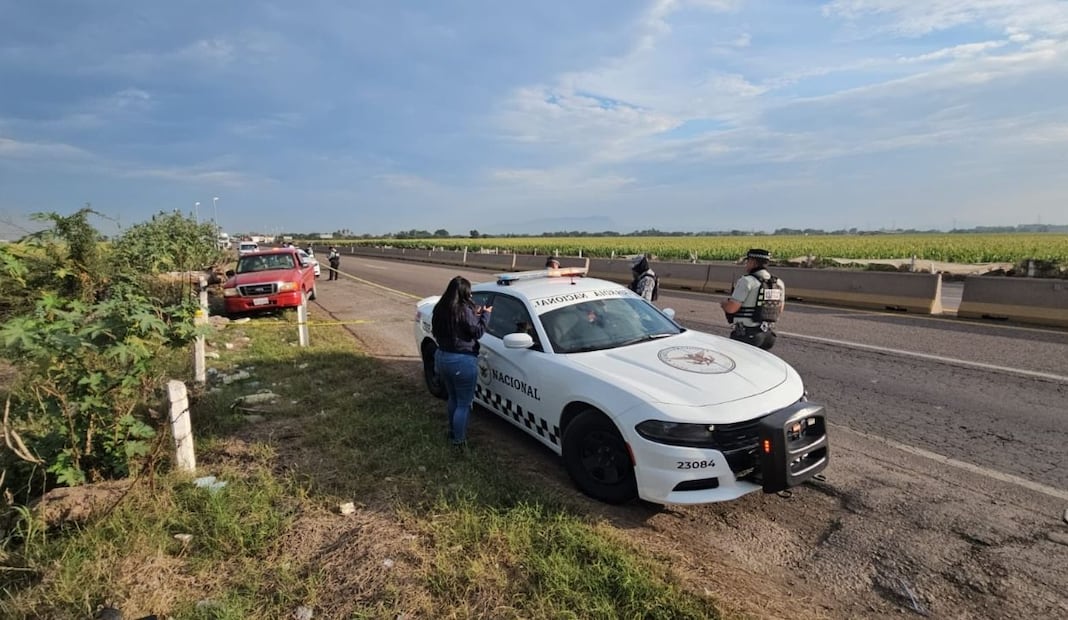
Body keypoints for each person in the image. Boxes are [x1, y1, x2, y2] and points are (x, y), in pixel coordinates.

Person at [431, 276, 492, 448]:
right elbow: (477, 331)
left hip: (442, 356)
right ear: (464, 292)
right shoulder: (463, 310)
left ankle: (452, 432)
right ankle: (458, 442)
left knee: (453, 398)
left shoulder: (441, 308)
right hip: (461, 361)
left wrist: (475, 315)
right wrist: (486, 315)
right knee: (464, 404)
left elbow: (456, 326)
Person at [720, 248, 785, 350]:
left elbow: (731, 308)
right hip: (768, 336)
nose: (746, 264)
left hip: (747, 335)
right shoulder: (778, 283)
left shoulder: (747, 281)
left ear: (753, 262)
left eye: (747, 261)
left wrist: (724, 304)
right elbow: (779, 309)